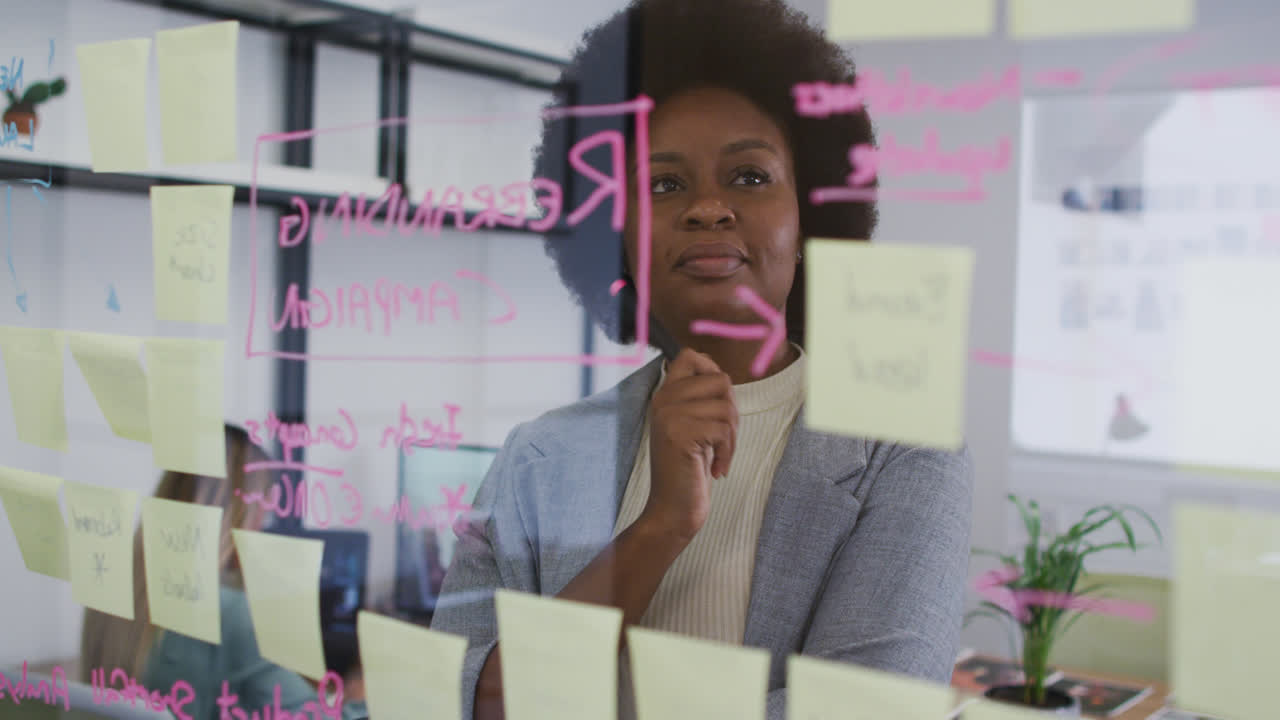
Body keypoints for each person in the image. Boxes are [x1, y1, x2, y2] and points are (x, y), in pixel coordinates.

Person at [430, 1, 974, 718]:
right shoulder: (538, 455)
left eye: (750, 176)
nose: (708, 208)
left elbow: (869, 709)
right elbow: (466, 703)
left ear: (807, 216)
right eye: (665, 184)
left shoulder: (902, 448)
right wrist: (660, 527)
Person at [79, 425, 367, 720]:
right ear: (239, 514)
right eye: (260, 512)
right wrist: (359, 699)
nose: (260, 527)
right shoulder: (228, 616)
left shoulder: (113, 588)